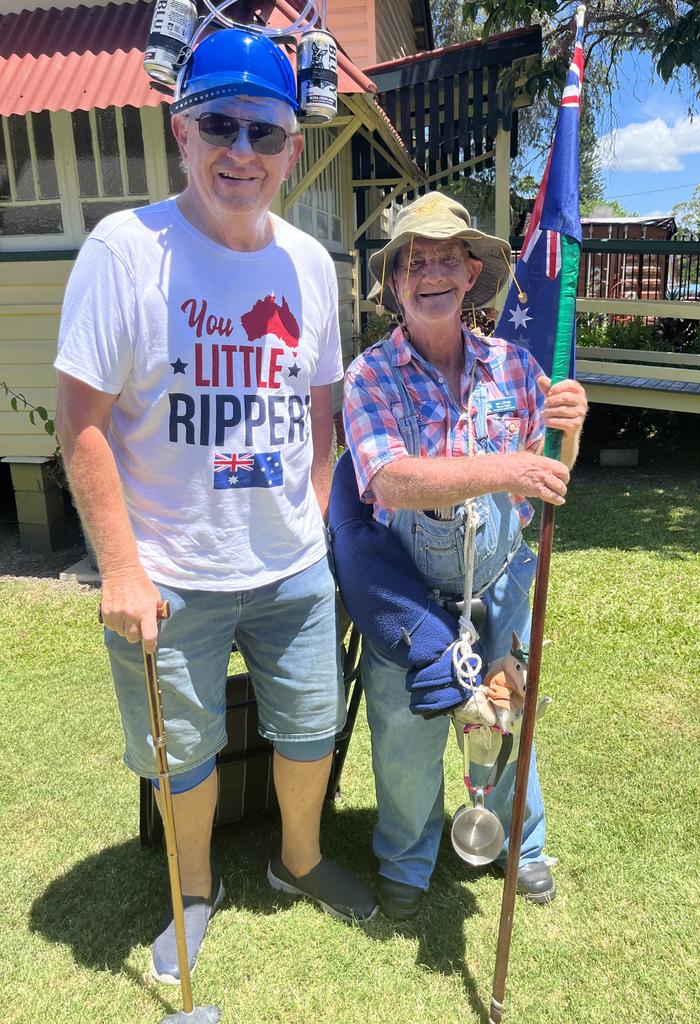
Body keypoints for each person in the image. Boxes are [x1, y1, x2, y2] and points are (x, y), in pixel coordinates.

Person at [54, 27, 377, 984]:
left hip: (290, 568)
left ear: (292, 144)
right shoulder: (126, 250)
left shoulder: (312, 266)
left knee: (313, 728)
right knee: (180, 755)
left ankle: (300, 858)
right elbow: (81, 420)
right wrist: (119, 566)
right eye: (220, 125)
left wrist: (317, 517)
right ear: (183, 130)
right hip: (171, 574)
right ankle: (194, 892)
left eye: (265, 132)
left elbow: (320, 407)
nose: (243, 151)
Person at [335, 192, 587, 920]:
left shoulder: (515, 365)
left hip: (502, 583)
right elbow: (389, 478)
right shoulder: (369, 376)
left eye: (448, 257)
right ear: (394, 282)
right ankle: (406, 862)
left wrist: (568, 427)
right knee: (405, 737)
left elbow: (551, 467)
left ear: (472, 271)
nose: (433, 273)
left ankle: (520, 844)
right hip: (409, 592)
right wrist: (508, 467)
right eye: (417, 260)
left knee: (508, 720)